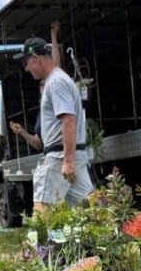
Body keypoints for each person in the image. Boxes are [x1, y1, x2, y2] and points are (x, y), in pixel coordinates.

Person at [9, 34, 94, 211]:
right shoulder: (59, 79)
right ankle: (111, 235)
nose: (26, 69)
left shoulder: (56, 82)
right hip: (72, 155)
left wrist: (67, 160)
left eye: (26, 63)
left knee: (43, 208)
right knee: (90, 208)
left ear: (35, 59)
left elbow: (69, 121)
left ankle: (41, 239)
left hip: (59, 157)